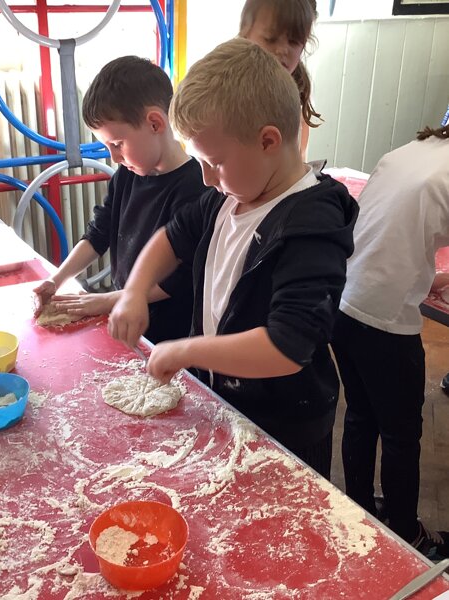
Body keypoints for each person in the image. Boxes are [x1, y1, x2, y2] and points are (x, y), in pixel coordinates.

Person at [108, 38, 358, 479]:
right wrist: (133, 292)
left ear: (268, 141)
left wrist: (186, 350)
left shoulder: (312, 223)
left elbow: (286, 346)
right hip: (225, 400)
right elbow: (172, 237)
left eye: (215, 161)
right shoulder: (228, 197)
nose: (205, 177)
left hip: (287, 426)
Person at [331, 124, 449, 560]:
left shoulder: (417, 148)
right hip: (383, 320)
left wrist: (429, 278)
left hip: (343, 300)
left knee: (362, 415)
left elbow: (390, 234)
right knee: (402, 435)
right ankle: (405, 534)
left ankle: (357, 508)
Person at [33, 56, 207, 343]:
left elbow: (179, 280)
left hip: (167, 333)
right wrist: (57, 279)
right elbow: (97, 235)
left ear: (155, 123)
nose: (113, 157)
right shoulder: (126, 176)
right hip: (125, 313)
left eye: (117, 144)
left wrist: (106, 301)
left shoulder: (196, 188)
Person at [239, 0, 321, 159]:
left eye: (294, 42)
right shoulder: (228, 87)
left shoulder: (298, 92)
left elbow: (299, 157)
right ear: (245, 34)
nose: (282, 50)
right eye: (270, 39)